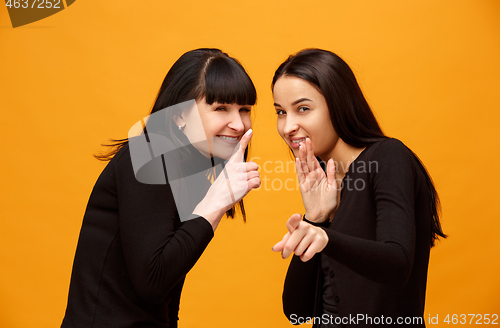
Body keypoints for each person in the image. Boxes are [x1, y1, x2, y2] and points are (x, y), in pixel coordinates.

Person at [61, 48, 261, 328]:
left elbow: (167, 294)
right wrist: (217, 201)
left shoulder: (188, 168)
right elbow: (153, 281)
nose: (239, 124)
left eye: (245, 110)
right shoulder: (149, 156)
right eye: (220, 108)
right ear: (179, 116)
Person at [271, 48, 446, 328]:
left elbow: (397, 263)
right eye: (280, 112)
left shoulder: (388, 157)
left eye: (303, 108)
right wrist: (315, 218)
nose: (288, 126)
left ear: (338, 104)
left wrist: (326, 238)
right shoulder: (327, 185)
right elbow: (297, 312)